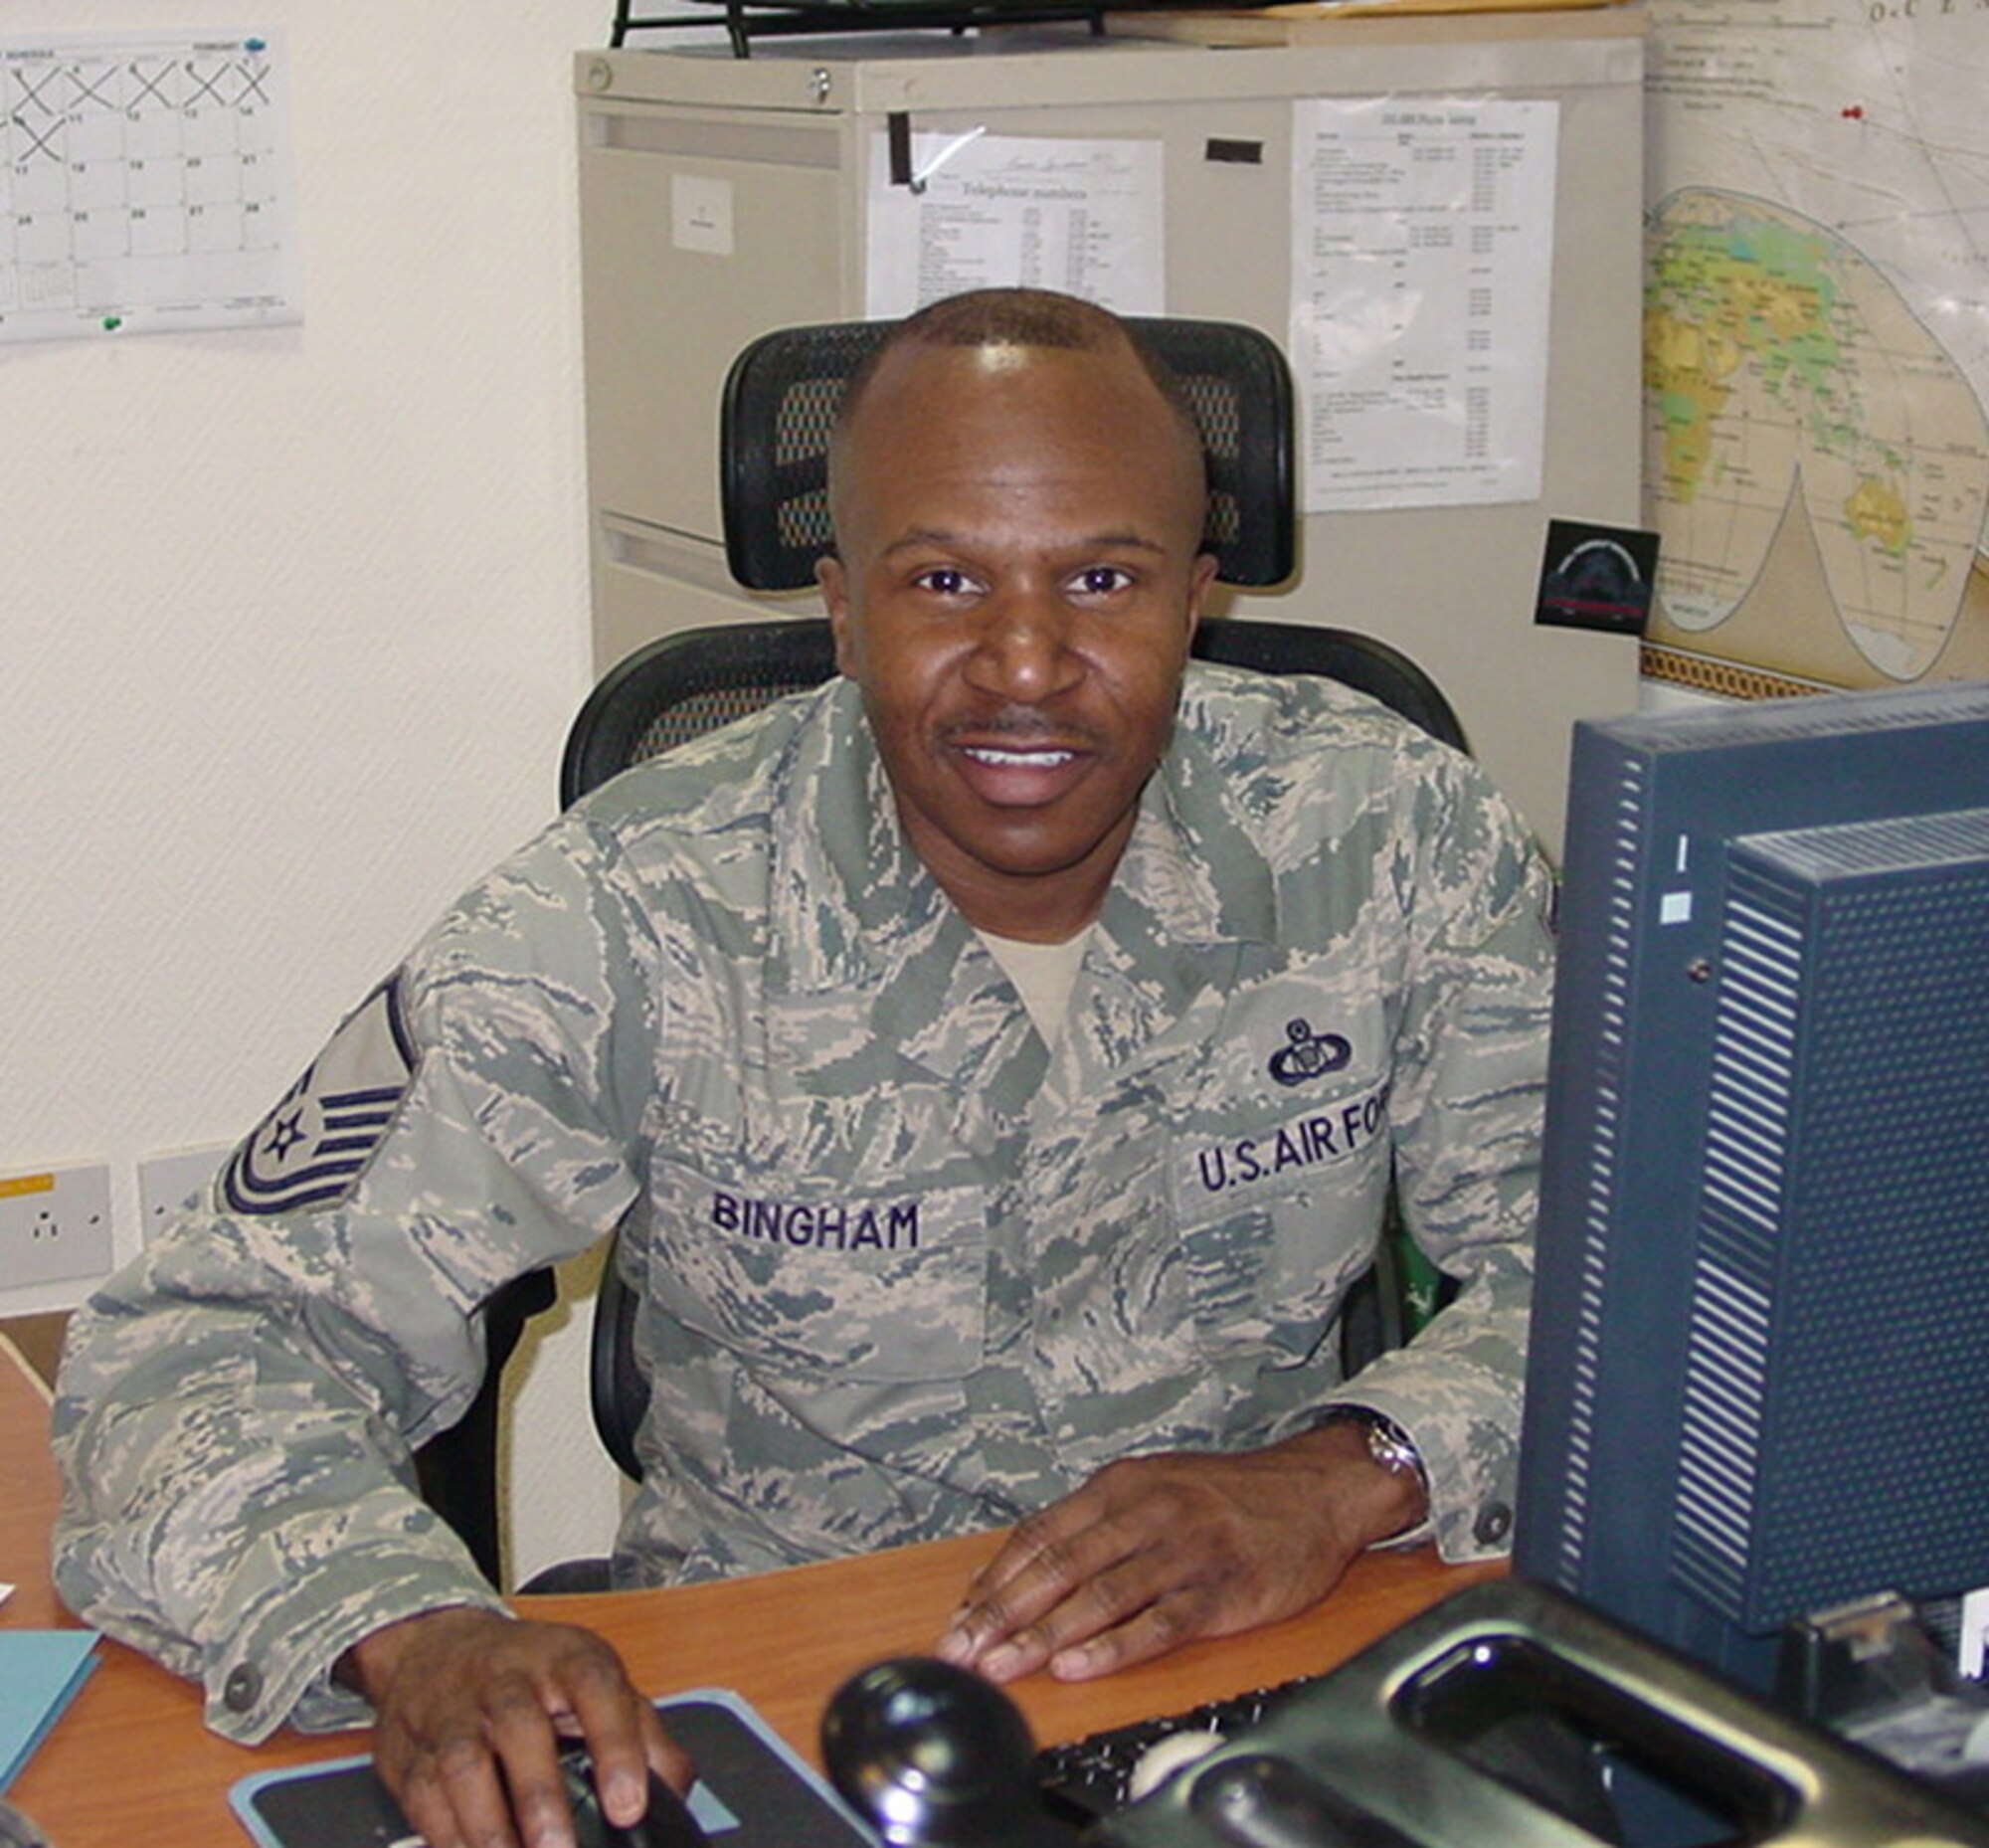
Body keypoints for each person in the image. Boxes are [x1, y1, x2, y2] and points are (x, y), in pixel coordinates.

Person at [51, 289, 1554, 1848]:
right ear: (844, 609)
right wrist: (415, 1629)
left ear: (1196, 599)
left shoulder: (1398, 838)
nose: (1026, 664)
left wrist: (1344, 1475)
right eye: (946, 579)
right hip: (786, 1708)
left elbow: (1636, 1288)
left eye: (1100, 578)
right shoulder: (632, 908)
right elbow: (197, 1347)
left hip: (1255, 1675)